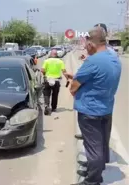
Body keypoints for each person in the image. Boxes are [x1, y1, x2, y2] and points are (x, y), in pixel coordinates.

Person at [69, 27, 121, 185]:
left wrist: (74, 84)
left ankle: (92, 180)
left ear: (92, 43)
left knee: (93, 148)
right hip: (106, 108)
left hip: (90, 110)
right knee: (102, 144)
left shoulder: (93, 61)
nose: (85, 47)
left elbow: (74, 87)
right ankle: (95, 168)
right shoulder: (114, 59)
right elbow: (98, 79)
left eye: (86, 44)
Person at [75, 23, 119, 140]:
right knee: (101, 141)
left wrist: (76, 89)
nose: (85, 48)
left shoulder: (98, 57)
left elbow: (74, 86)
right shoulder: (111, 55)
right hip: (106, 105)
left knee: (95, 146)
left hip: (92, 108)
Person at [41, 49, 69, 115]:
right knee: (55, 95)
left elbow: (42, 70)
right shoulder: (60, 61)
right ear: (56, 55)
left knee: (46, 94)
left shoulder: (46, 61)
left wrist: (45, 74)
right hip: (56, 81)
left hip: (48, 80)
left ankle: (47, 106)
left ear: (51, 54)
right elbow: (64, 72)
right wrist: (68, 79)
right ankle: (53, 108)